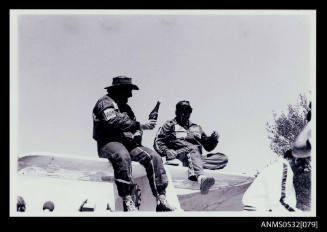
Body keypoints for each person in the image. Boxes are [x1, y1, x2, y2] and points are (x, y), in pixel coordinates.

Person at [92, 76, 175, 212]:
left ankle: (161, 199)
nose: (130, 95)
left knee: (154, 157)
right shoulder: (104, 102)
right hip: (108, 143)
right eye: (128, 91)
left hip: (128, 144)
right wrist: (141, 125)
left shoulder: (127, 108)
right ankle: (127, 199)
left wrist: (138, 133)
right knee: (122, 156)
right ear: (119, 90)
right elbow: (113, 122)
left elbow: (135, 128)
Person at [242, 107, 312, 212]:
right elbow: (280, 205)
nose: (305, 169)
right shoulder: (282, 168)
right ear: (297, 160)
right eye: (304, 164)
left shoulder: (279, 169)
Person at [154, 100, 220, 194]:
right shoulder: (170, 124)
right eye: (182, 110)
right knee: (193, 148)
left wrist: (213, 139)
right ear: (177, 112)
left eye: (188, 111)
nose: (185, 114)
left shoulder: (196, 127)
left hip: (196, 156)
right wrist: (167, 151)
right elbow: (158, 141)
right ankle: (201, 179)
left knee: (221, 158)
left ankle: (196, 165)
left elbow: (208, 146)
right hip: (179, 154)